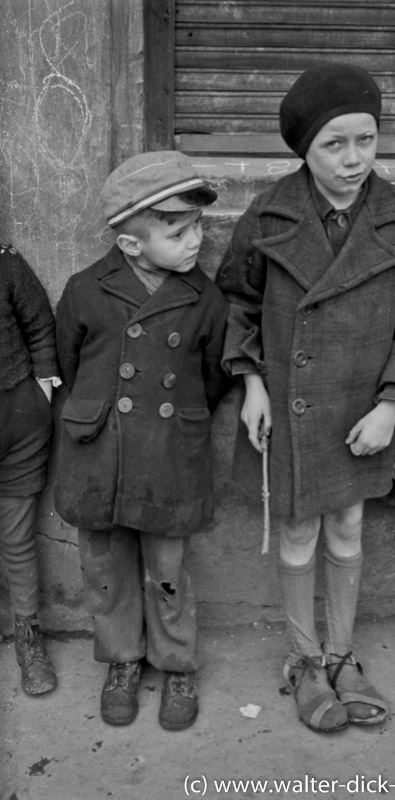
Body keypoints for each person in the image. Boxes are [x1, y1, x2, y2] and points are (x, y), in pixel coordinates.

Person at [216, 63, 395, 733]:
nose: (352, 160)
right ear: (303, 150)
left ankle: (342, 656)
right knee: (298, 528)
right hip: (290, 401)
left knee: (347, 525)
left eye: (365, 140)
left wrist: (393, 405)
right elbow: (240, 301)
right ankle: (304, 660)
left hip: (365, 408)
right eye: (332, 145)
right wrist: (251, 382)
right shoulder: (268, 214)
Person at [54, 151, 230, 729]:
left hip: (170, 448)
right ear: (132, 245)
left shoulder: (205, 298)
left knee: (168, 564)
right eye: (178, 231)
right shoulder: (85, 289)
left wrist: (178, 418)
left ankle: (177, 662)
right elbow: (68, 362)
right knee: (104, 564)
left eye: (199, 226)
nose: (195, 240)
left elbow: (213, 373)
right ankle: (123, 660)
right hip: (99, 448)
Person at [0, 242, 59, 695]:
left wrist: (41, 392)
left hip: (18, 422)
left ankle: (29, 637)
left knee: (17, 539)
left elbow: (39, 324)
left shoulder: (5, 262)